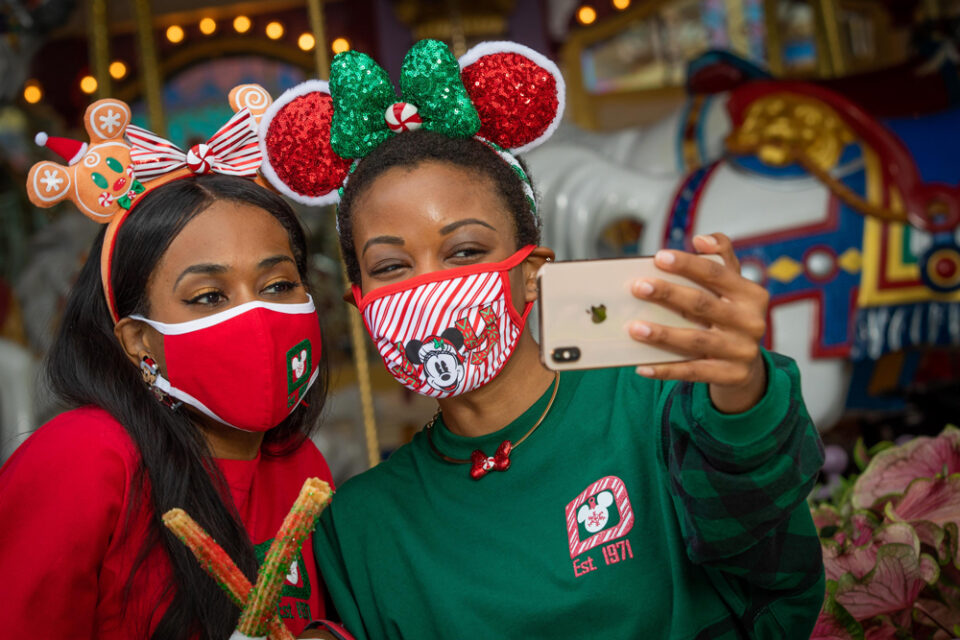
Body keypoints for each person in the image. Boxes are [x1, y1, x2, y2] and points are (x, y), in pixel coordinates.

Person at [254, 41, 825, 638]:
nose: (429, 287)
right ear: (361, 302)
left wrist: (744, 390)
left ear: (531, 273)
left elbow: (767, 548)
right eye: (392, 266)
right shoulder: (358, 526)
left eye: (465, 252)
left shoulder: (655, 407)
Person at [0, 101, 335, 639]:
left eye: (277, 286)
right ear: (138, 341)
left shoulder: (299, 466)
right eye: (207, 295)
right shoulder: (87, 458)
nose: (254, 314)